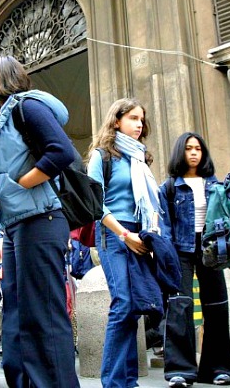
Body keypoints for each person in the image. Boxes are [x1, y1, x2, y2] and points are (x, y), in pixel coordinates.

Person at [0, 55, 79, 387]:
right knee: (18, 315)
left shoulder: (27, 108)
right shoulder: (1, 119)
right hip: (17, 226)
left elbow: (62, 152)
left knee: (44, 316)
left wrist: (23, 183)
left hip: (41, 220)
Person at [86, 97, 161, 388]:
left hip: (140, 235)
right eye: (132, 118)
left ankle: (129, 380)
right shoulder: (102, 155)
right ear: (116, 120)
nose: (139, 124)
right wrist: (124, 235)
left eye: (141, 119)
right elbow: (95, 203)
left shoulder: (139, 157)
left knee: (135, 306)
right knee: (123, 303)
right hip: (114, 233)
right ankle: (115, 382)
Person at [158, 132, 230, 387]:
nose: (194, 153)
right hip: (179, 250)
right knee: (180, 306)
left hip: (211, 248)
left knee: (216, 306)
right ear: (180, 153)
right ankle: (180, 371)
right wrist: (167, 252)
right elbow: (164, 223)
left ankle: (217, 369)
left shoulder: (215, 185)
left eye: (198, 149)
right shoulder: (169, 186)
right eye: (189, 148)